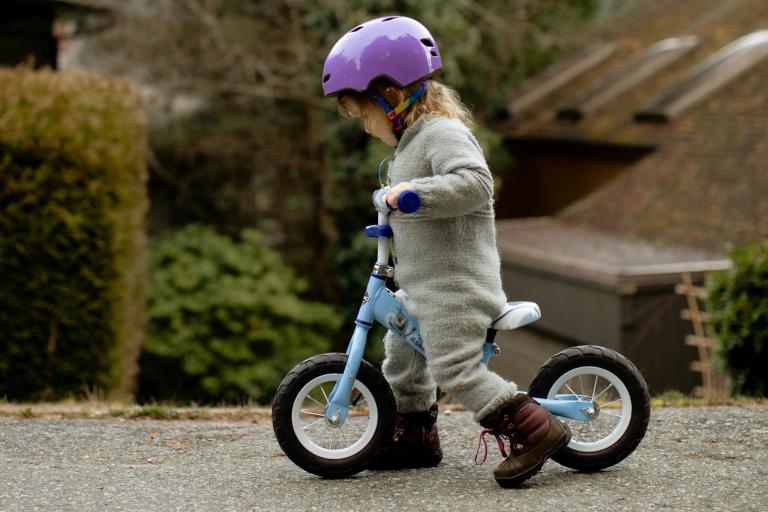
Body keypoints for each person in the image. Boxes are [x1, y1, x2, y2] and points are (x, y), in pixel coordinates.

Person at [322, 15, 570, 487]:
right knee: (401, 354)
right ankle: (414, 437)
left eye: (363, 115)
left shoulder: (441, 134)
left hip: (457, 285)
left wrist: (415, 194)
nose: (365, 128)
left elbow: (476, 184)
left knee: (452, 365)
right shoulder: (408, 145)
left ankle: (534, 429)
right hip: (423, 283)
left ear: (389, 96)